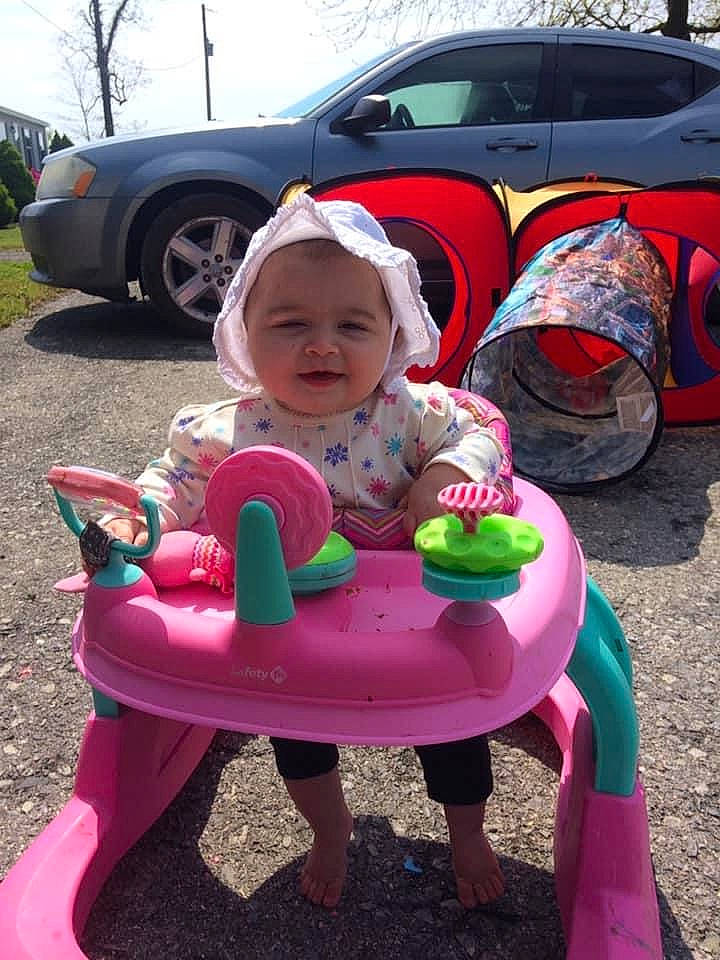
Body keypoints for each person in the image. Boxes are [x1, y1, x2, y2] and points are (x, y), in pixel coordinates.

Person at [103, 193, 514, 910]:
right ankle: (330, 828)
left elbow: (478, 434)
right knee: (294, 738)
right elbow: (174, 480)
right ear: (244, 335)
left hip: (406, 625)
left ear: (392, 336)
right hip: (285, 622)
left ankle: (467, 831)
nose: (322, 345)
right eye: (290, 324)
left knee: (450, 729)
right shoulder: (229, 430)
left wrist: (447, 478)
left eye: (353, 326)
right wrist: (144, 520)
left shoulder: (410, 414)